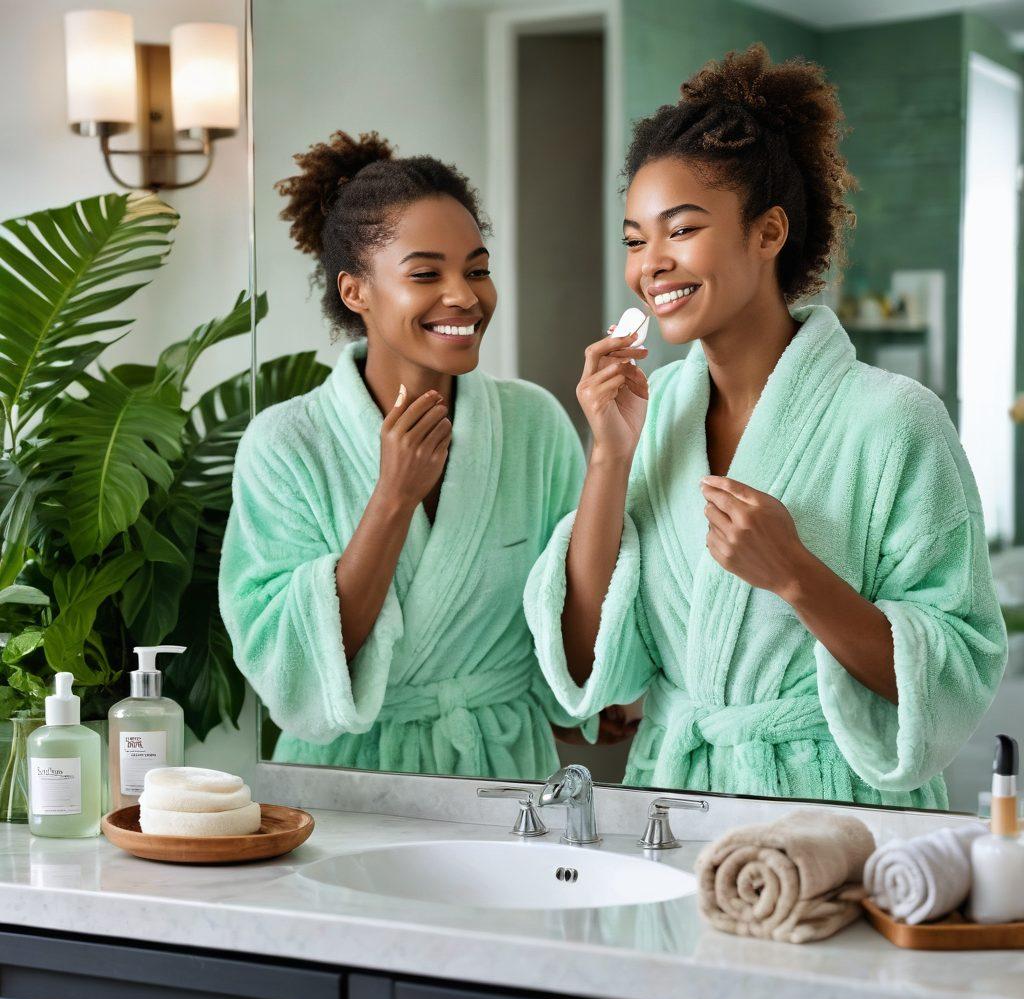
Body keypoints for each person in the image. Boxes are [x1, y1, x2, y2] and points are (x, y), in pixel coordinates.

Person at [525, 44, 1008, 808]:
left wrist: (794, 573)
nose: (652, 263)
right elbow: (588, 661)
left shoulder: (895, 421)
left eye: (680, 229)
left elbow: (954, 675)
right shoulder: (647, 423)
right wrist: (608, 459)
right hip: (678, 806)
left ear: (768, 232)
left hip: (837, 812)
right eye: (634, 238)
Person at [219, 130, 590, 776]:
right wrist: (393, 498)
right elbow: (292, 669)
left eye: (477, 269)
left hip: (503, 780)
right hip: (346, 789)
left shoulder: (533, 425)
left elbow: (575, 627)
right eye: (427, 274)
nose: (466, 296)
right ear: (356, 291)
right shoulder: (286, 446)